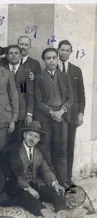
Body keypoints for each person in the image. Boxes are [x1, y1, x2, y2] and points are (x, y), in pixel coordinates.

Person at [2, 121, 86, 218]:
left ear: (39, 139)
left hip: (33, 183)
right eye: (30, 135)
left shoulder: (38, 152)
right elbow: (14, 175)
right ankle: (47, 214)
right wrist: (29, 189)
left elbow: (46, 170)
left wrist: (55, 183)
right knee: (27, 197)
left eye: (35, 137)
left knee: (56, 191)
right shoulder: (15, 150)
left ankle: (63, 212)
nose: (32, 139)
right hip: (17, 186)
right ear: (24, 135)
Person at [35, 47, 73, 187]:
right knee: (46, 150)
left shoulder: (64, 76)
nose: (51, 61)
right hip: (46, 119)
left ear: (58, 59)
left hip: (62, 118)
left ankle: (63, 183)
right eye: (48, 58)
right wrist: (51, 112)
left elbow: (71, 98)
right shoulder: (39, 78)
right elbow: (37, 101)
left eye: (54, 58)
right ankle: (51, 183)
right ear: (44, 61)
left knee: (61, 151)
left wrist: (62, 111)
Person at [57, 40, 86, 187]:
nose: (64, 52)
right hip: (57, 116)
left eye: (67, 50)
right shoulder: (52, 67)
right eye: (62, 50)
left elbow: (81, 94)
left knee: (69, 146)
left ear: (71, 52)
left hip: (72, 116)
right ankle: (58, 179)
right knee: (58, 147)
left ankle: (68, 178)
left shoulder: (76, 70)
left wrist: (80, 113)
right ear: (58, 50)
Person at [6, 45, 34, 144]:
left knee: (18, 141)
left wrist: (29, 114)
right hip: (6, 113)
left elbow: (28, 94)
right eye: (11, 53)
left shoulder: (26, 72)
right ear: (7, 56)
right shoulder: (2, 71)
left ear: (21, 56)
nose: (13, 55)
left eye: (16, 53)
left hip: (21, 113)